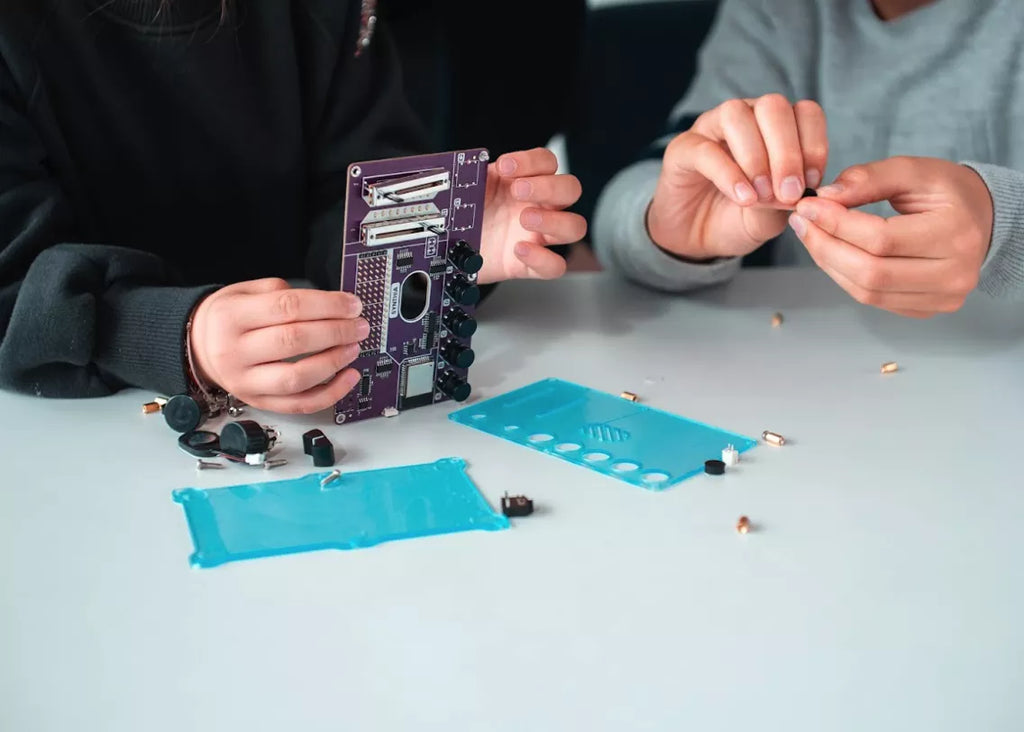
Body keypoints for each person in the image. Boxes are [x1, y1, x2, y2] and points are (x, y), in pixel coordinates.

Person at [0, 0, 586, 414]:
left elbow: (347, 200)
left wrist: (431, 246)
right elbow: (10, 287)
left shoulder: (327, 13)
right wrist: (176, 336)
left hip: (313, 402)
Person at [593, 0, 1024, 318]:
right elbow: (627, 203)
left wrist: (1005, 225)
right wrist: (666, 231)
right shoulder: (774, 12)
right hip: (803, 368)